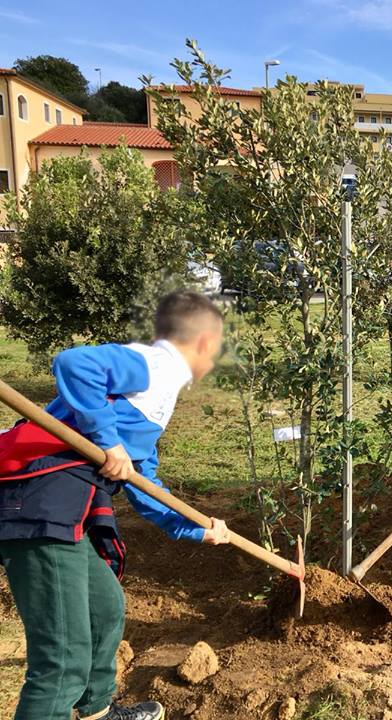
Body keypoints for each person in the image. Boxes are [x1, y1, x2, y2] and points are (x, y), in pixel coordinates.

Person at [0, 291, 231, 720]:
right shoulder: (155, 365)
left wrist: (198, 528)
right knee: (62, 661)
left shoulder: (160, 395)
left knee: (105, 608)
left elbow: (144, 483)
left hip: (65, 509)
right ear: (203, 341)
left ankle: (97, 711)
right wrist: (107, 441)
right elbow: (74, 363)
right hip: (37, 505)